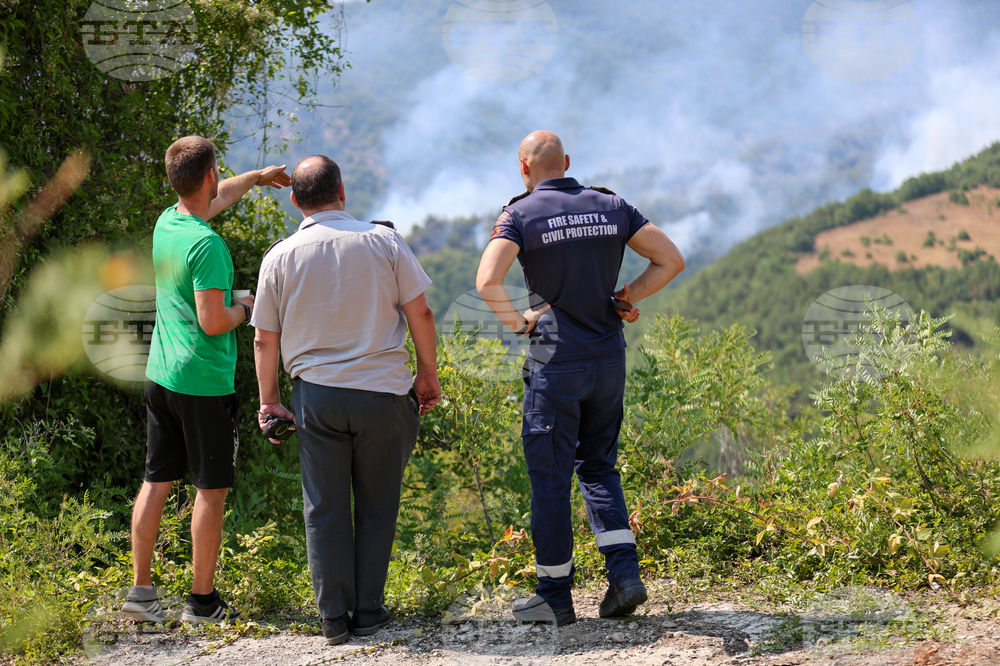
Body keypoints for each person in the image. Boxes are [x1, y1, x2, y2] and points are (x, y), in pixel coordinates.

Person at [476, 131, 685, 626]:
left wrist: (519, 323)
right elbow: (671, 260)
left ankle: (553, 596)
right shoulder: (612, 206)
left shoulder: (519, 215)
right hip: (607, 360)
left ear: (523, 168)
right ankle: (624, 576)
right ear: (567, 162)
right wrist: (626, 296)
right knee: (598, 467)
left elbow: (487, 281)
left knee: (551, 479)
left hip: (555, 365)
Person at [251, 155, 441, 645]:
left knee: (324, 506)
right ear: (342, 190)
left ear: (295, 200)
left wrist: (270, 402)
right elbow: (420, 312)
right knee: (378, 504)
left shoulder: (280, 256)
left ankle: (333, 619)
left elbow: (264, 338)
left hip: (316, 397)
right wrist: (427, 374)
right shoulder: (384, 241)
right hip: (383, 394)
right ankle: (369, 611)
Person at [122, 136, 291, 624]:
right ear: (210, 175)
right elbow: (213, 321)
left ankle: (141, 596)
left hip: (162, 376)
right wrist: (248, 306)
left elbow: (218, 197)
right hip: (203, 384)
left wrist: (257, 178)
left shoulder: (169, 222)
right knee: (210, 492)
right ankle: (201, 603)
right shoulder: (208, 245)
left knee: (156, 481)